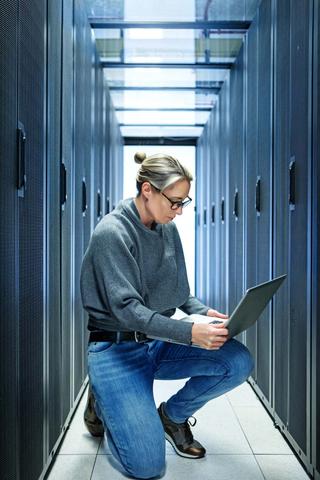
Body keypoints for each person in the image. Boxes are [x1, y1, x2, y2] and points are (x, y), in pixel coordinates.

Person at [80, 152, 254, 479]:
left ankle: (171, 417)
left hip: (156, 343)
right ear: (148, 190)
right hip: (116, 350)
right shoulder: (112, 233)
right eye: (174, 202)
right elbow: (129, 312)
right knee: (148, 466)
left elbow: (179, 291)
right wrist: (190, 334)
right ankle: (101, 402)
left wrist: (202, 313)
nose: (179, 211)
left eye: (183, 202)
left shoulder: (166, 227)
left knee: (237, 361)